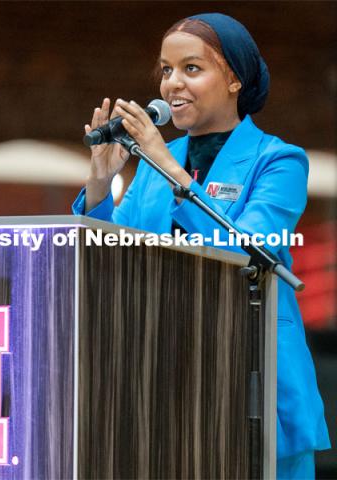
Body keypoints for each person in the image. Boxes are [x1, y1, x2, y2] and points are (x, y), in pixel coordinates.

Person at [72, 12, 330, 479]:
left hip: (253, 376)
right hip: (166, 375)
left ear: (234, 79)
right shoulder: (153, 167)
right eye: (166, 70)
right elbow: (109, 255)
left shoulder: (279, 161)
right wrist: (99, 181)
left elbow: (247, 249)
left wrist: (167, 165)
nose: (172, 84)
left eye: (192, 68)